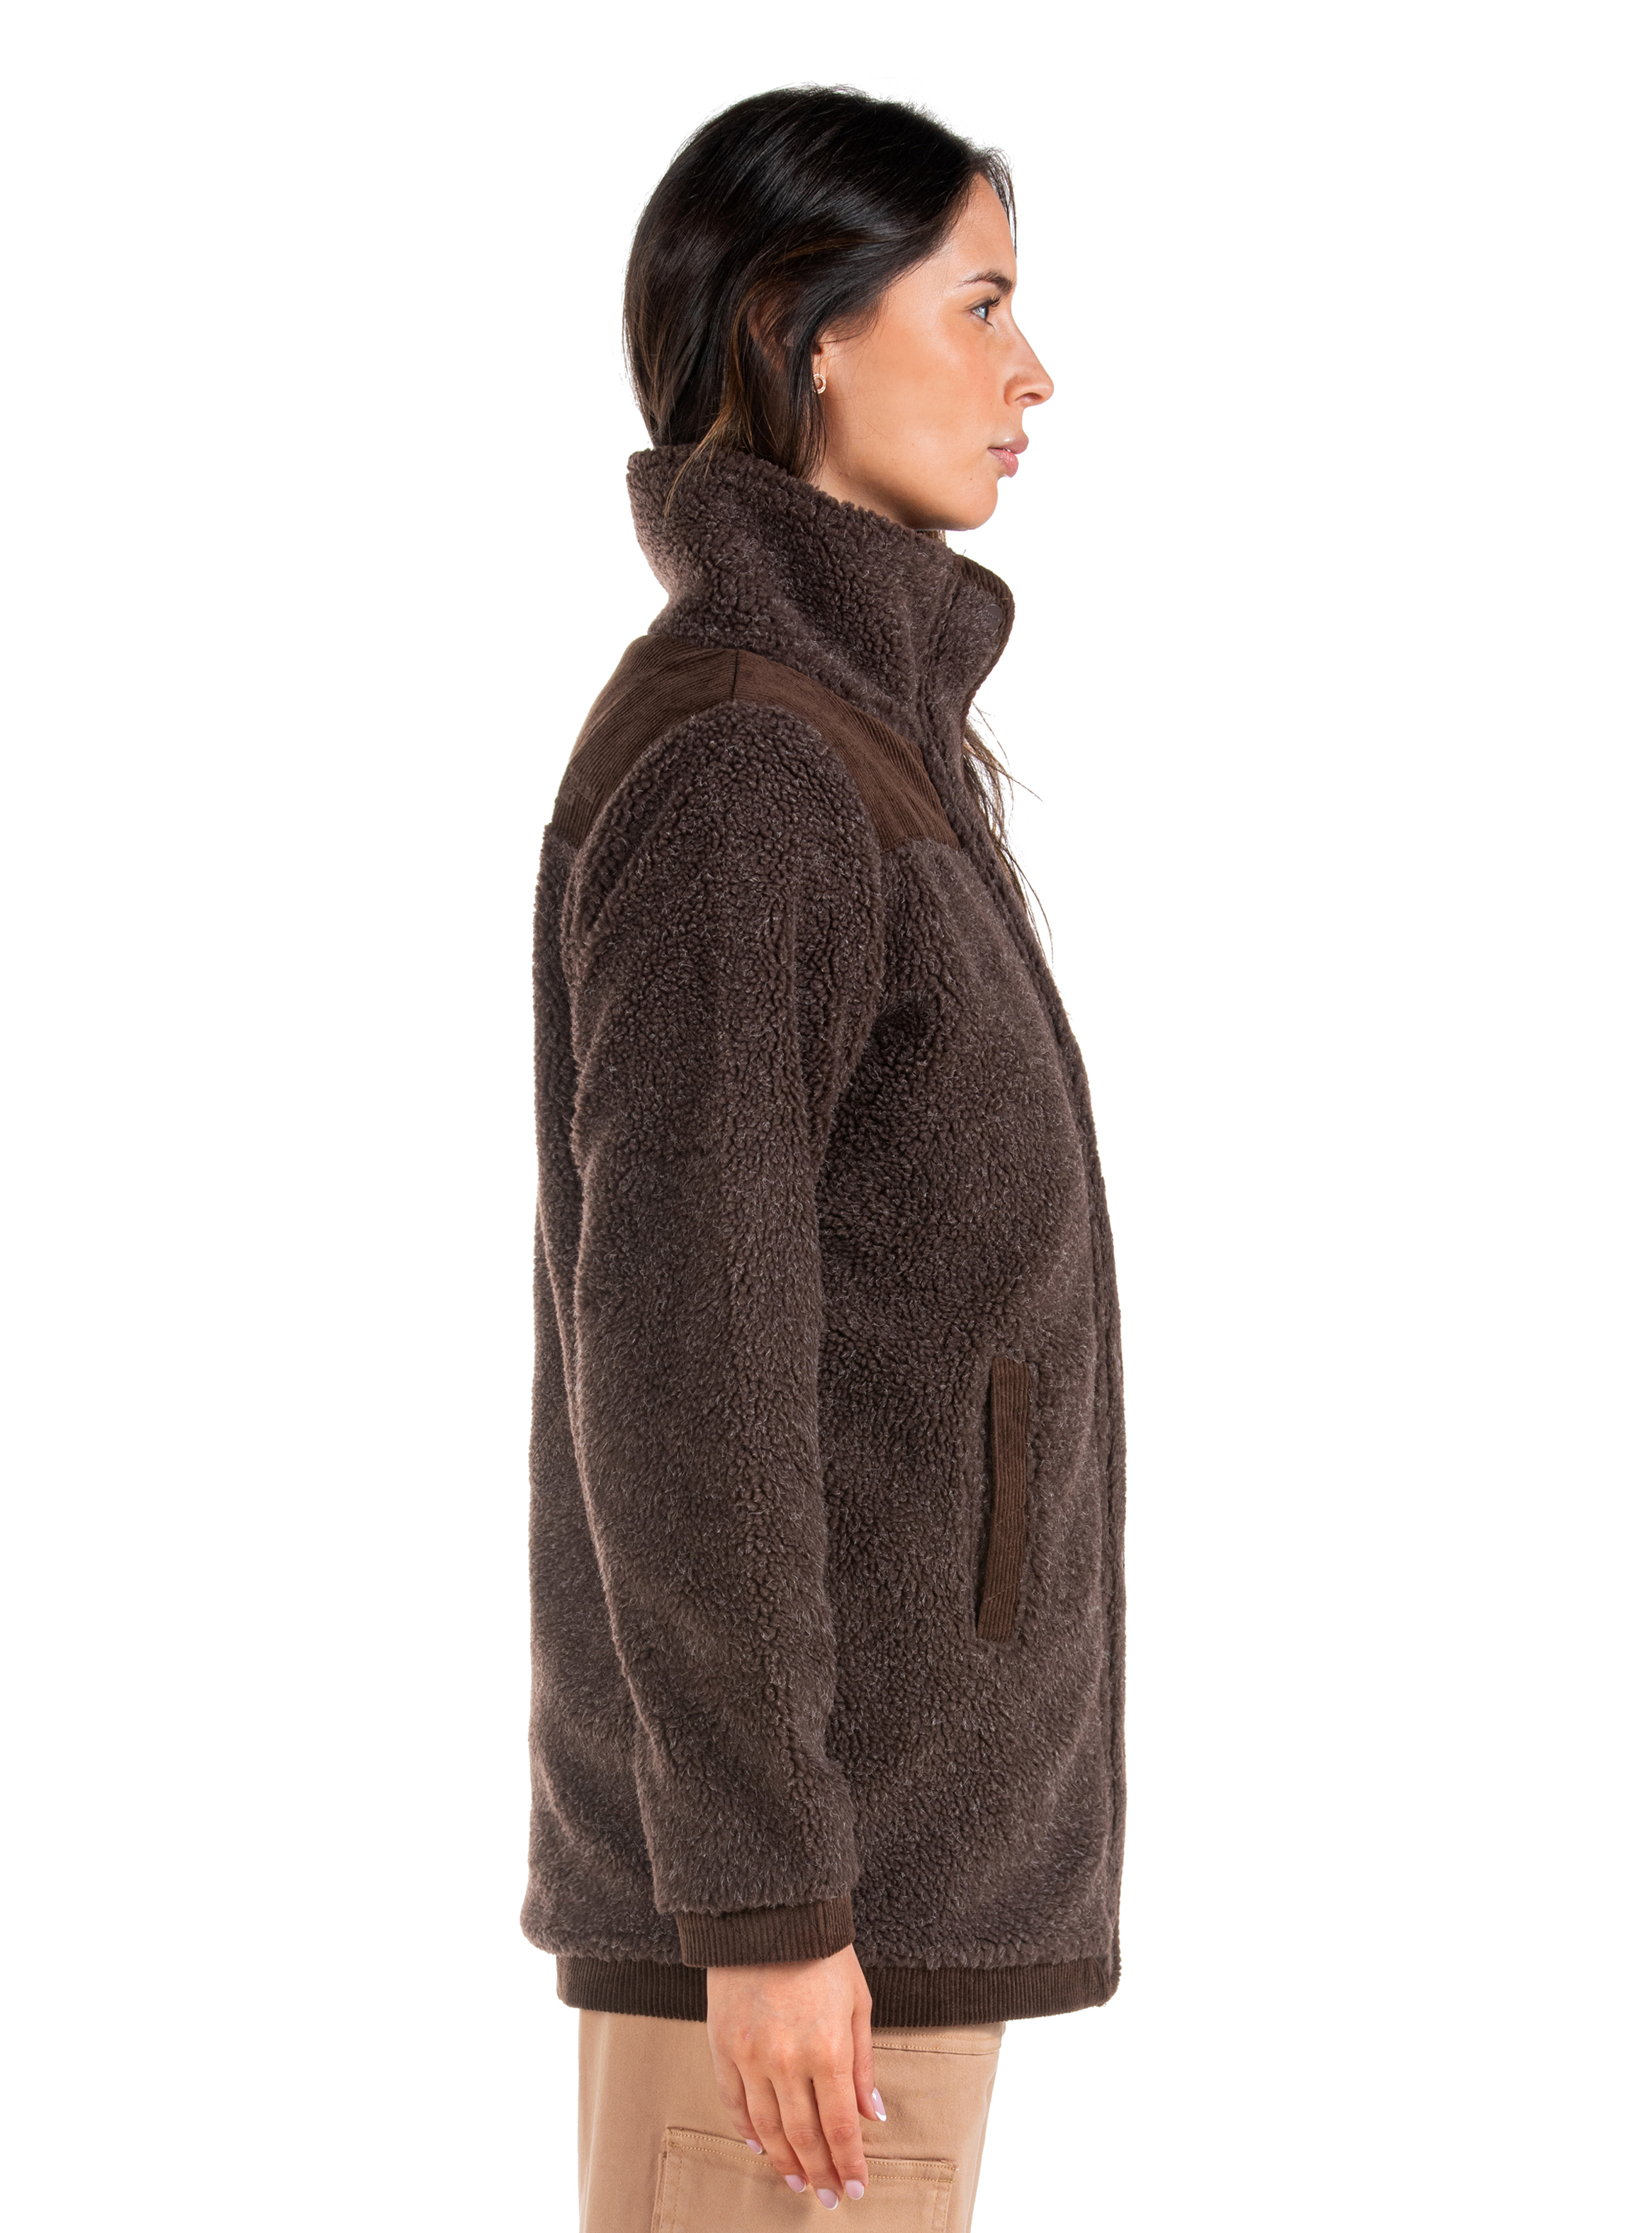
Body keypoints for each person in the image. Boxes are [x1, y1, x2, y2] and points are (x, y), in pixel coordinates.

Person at [523, 86, 1127, 2230]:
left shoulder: (851, 740)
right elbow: (681, 1368)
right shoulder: (755, 770)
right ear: (808, 328)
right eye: (980, 305)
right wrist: (768, 1904)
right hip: (798, 1930)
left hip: (859, 1886)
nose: (1034, 373)